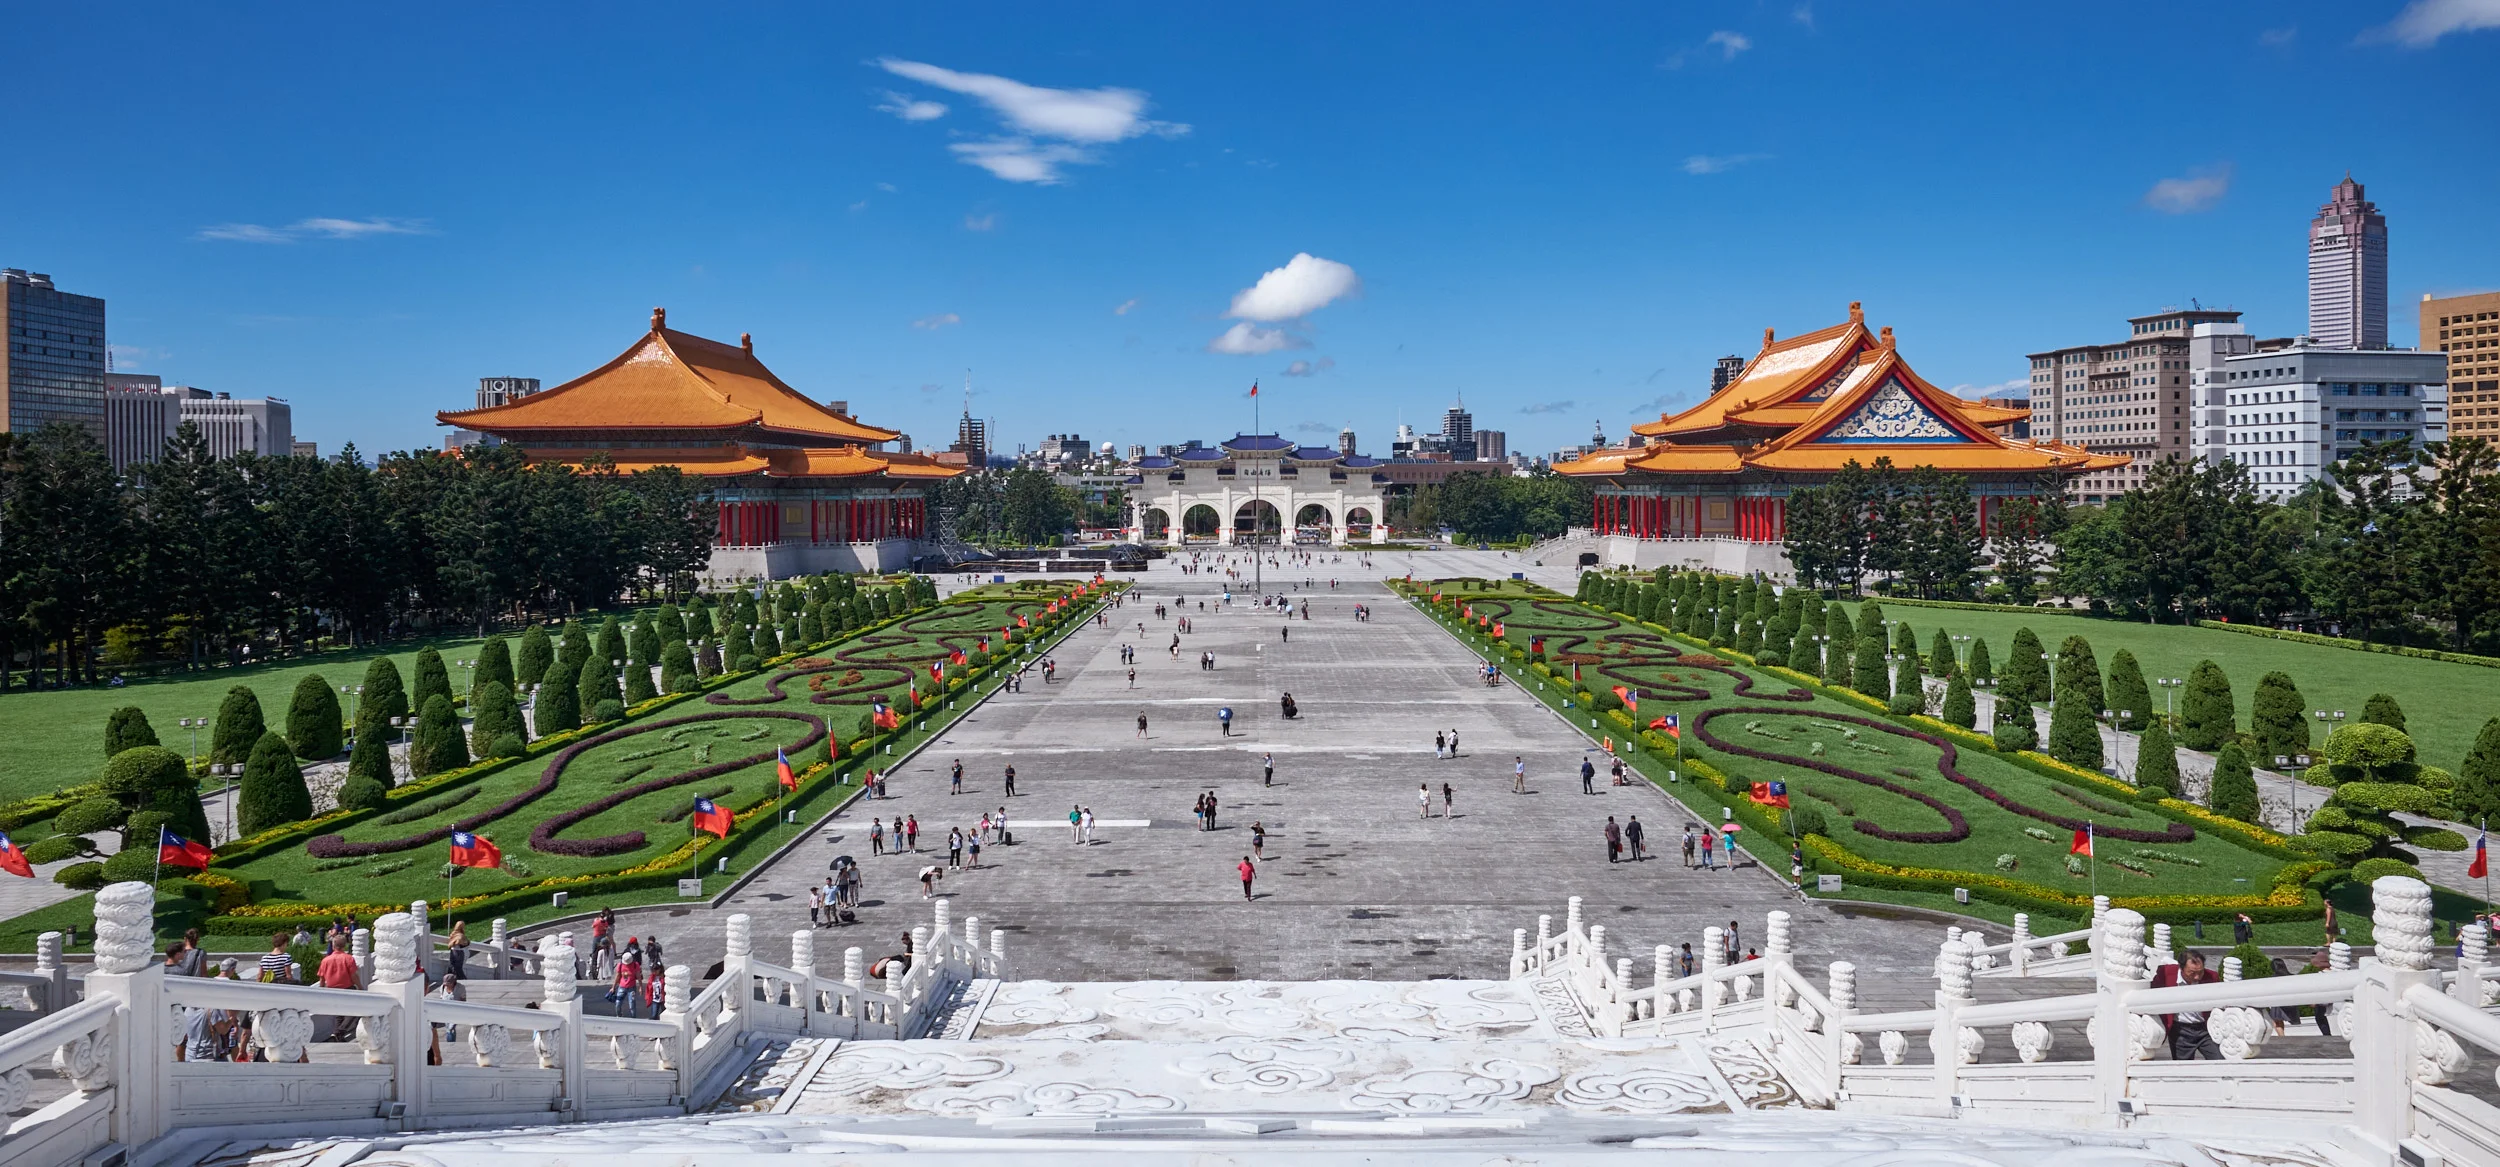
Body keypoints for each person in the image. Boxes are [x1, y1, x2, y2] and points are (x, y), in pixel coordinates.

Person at [2152, 950, 2224, 1059]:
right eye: (2192, 973)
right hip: (2180, 1030)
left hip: (2206, 1029)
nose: (2196, 977)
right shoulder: (2166, 974)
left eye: (2200, 972)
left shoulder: (2211, 977)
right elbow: (2151, 992)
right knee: (2183, 1068)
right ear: (2181, 968)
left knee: (2220, 1059)